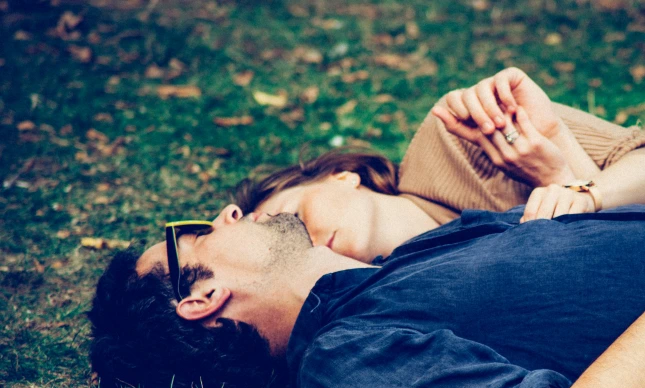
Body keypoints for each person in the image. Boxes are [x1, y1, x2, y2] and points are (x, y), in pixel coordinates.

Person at [89, 204, 645, 388]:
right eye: (195, 235)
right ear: (200, 298)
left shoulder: (397, 263)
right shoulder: (343, 360)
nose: (229, 211)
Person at [228, 68, 645, 264]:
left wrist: (560, 151)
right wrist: (558, 178)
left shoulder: (458, 135)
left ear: (343, 176)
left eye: (296, 220)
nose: (309, 244)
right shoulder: (406, 290)